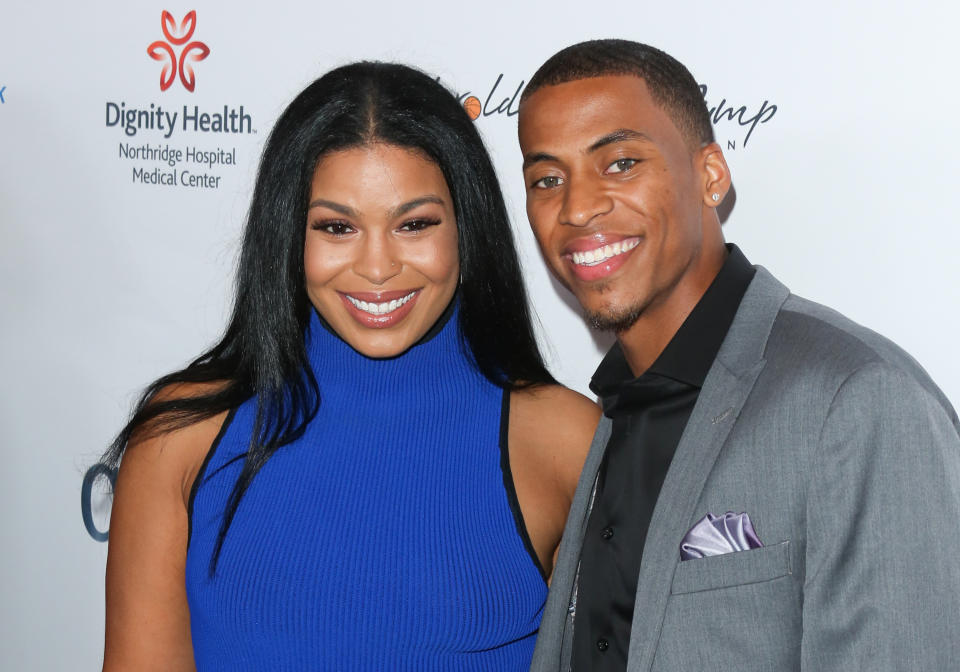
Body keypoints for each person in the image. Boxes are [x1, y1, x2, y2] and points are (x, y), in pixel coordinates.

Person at [101, 61, 600, 672]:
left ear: (467, 228)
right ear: (288, 235)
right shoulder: (180, 436)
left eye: (414, 224)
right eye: (337, 227)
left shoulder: (564, 440)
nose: (377, 267)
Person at [518, 39, 960, 671]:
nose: (578, 207)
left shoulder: (858, 397)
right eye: (548, 179)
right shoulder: (610, 413)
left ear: (711, 175)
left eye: (620, 163)